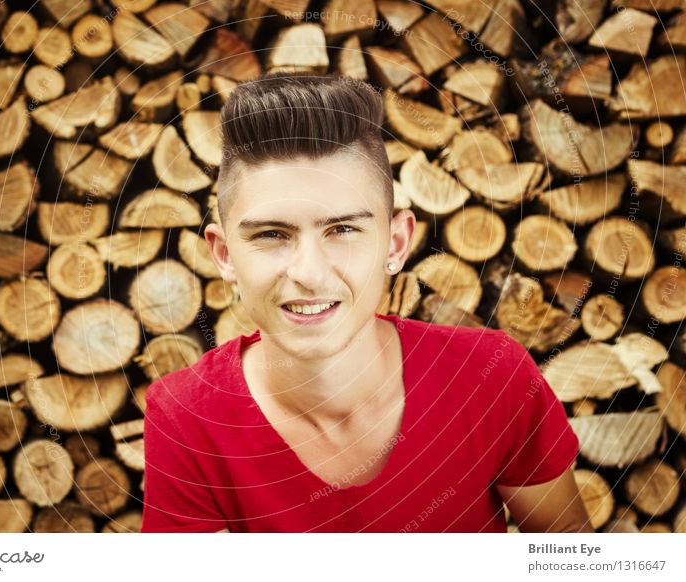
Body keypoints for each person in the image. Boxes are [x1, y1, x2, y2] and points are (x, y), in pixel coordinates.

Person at [141, 72, 593, 533]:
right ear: (224, 255)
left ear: (396, 244)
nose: (309, 273)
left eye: (342, 230)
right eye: (272, 235)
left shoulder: (492, 375)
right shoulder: (185, 417)